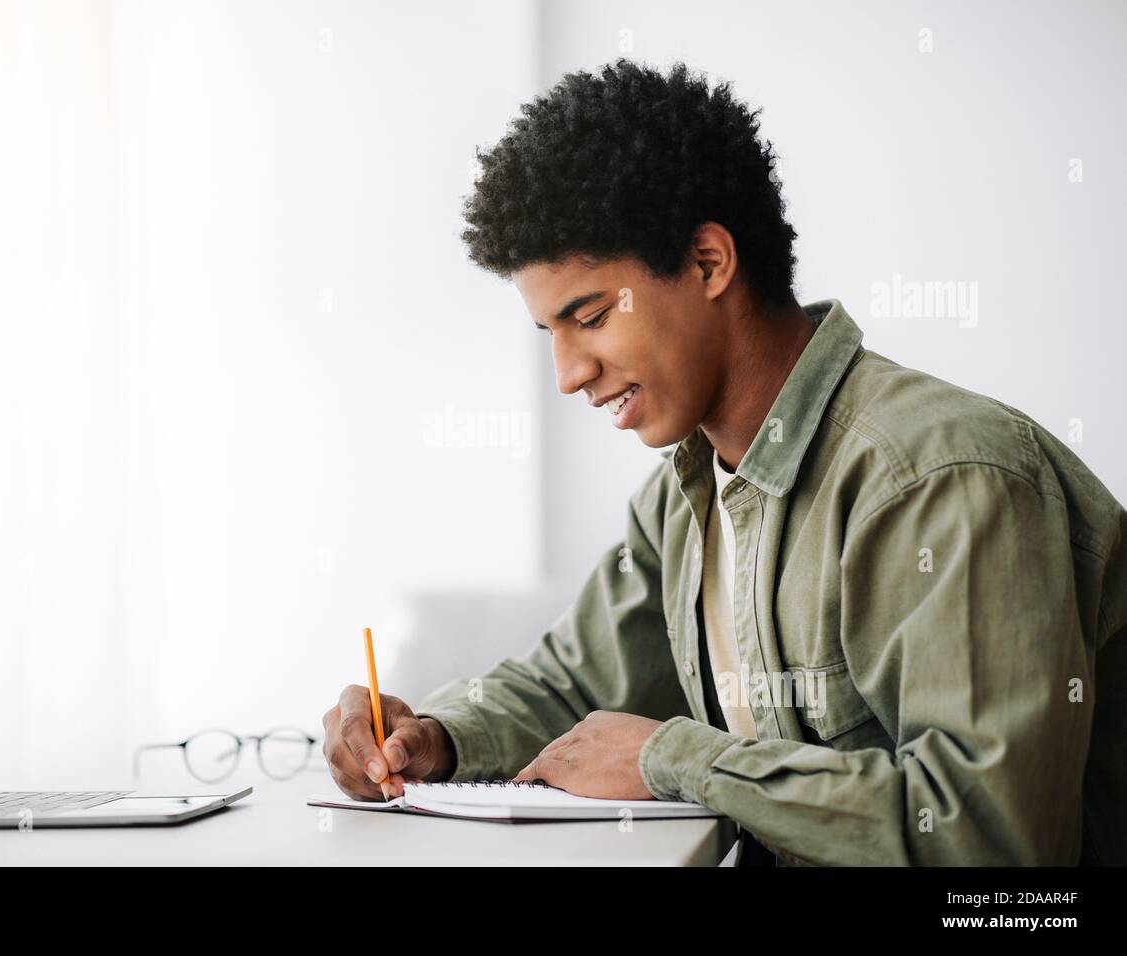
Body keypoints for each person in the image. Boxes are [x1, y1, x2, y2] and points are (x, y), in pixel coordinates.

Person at [321, 59, 1126, 865]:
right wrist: (433, 736)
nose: (568, 374)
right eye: (552, 336)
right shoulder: (684, 495)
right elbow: (572, 686)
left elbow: (986, 841)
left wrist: (675, 761)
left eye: (591, 317)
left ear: (709, 263)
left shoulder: (943, 481)